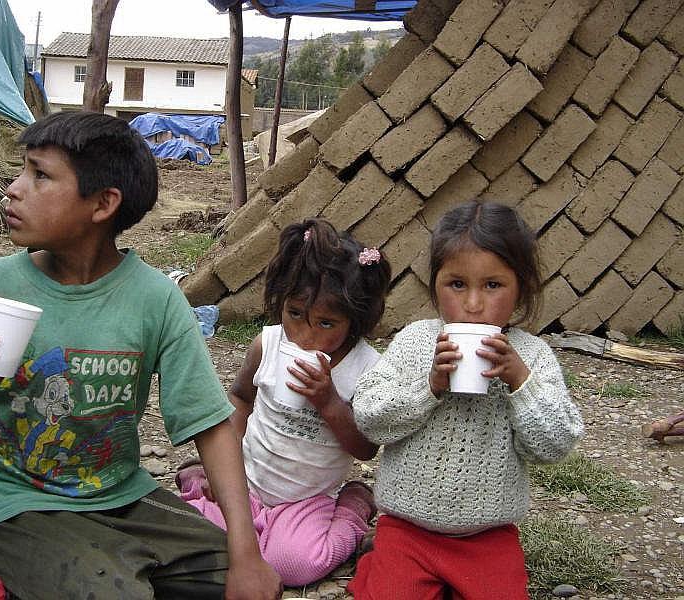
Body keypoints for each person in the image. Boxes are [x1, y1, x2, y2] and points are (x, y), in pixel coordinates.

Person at [0, 111, 281, 600]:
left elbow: (211, 428)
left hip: (120, 497)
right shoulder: (0, 282)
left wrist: (246, 554)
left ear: (103, 204)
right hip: (13, 501)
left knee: (238, 579)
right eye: (23, 170)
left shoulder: (155, 299)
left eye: (40, 174)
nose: (13, 188)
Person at [349, 200, 584, 600]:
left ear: (520, 289)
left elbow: (555, 445)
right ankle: (382, 559)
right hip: (407, 528)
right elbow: (369, 418)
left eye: (493, 285)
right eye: (457, 284)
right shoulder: (415, 343)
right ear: (435, 285)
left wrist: (520, 382)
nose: (474, 305)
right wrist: (429, 387)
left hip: (487, 535)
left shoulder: (533, 356)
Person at [176, 218, 391, 586]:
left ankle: (354, 505)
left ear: (355, 320)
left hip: (307, 498)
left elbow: (366, 448)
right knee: (195, 542)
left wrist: (328, 402)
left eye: (325, 324)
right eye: (295, 314)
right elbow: (241, 398)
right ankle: (205, 480)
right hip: (247, 481)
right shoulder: (269, 344)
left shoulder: (366, 369)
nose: (305, 336)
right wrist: (224, 467)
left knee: (295, 567)